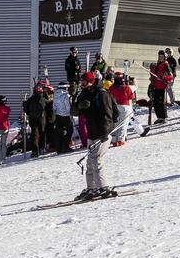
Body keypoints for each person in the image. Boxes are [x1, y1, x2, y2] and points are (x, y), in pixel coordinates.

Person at [73, 70, 118, 200]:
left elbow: (107, 115)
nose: (82, 84)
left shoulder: (101, 94)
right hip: (92, 133)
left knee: (96, 159)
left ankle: (103, 187)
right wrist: (78, 105)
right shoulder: (84, 94)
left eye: (84, 82)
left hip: (103, 133)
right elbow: (75, 111)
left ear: (91, 82)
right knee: (90, 162)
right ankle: (91, 188)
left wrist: (105, 133)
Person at [24, 82, 54, 158]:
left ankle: (34, 151)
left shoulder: (30, 99)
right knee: (42, 133)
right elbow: (49, 108)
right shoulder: (43, 99)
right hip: (42, 118)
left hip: (32, 118)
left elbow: (26, 109)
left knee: (34, 134)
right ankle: (41, 149)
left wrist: (29, 113)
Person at [108, 71, 136, 145]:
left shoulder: (111, 87)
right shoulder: (126, 87)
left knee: (116, 123)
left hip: (115, 106)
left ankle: (114, 140)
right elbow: (131, 97)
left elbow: (109, 97)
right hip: (125, 106)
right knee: (123, 124)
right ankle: (120, 140)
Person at [149, 50, 172, 124]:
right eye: (159, 57)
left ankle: (164, 117)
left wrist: (163, 78)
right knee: (156, 103)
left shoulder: (166, 64)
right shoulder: (158, 64)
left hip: (163, 86)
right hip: (156, 86)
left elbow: (170, 76)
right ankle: (159, 117)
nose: (160, 58)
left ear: (165, 57)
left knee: (162, 103)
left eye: (162, 57)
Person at [53, 84, 75, 152]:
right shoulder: (65, 95)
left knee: (59, 132)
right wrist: (70, 114)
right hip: (66, 116)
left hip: (58, 116)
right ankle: (66, 147)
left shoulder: (55, 95)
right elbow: (67, 106)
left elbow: (54, 106)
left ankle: (59, 149)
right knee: (70, 130)